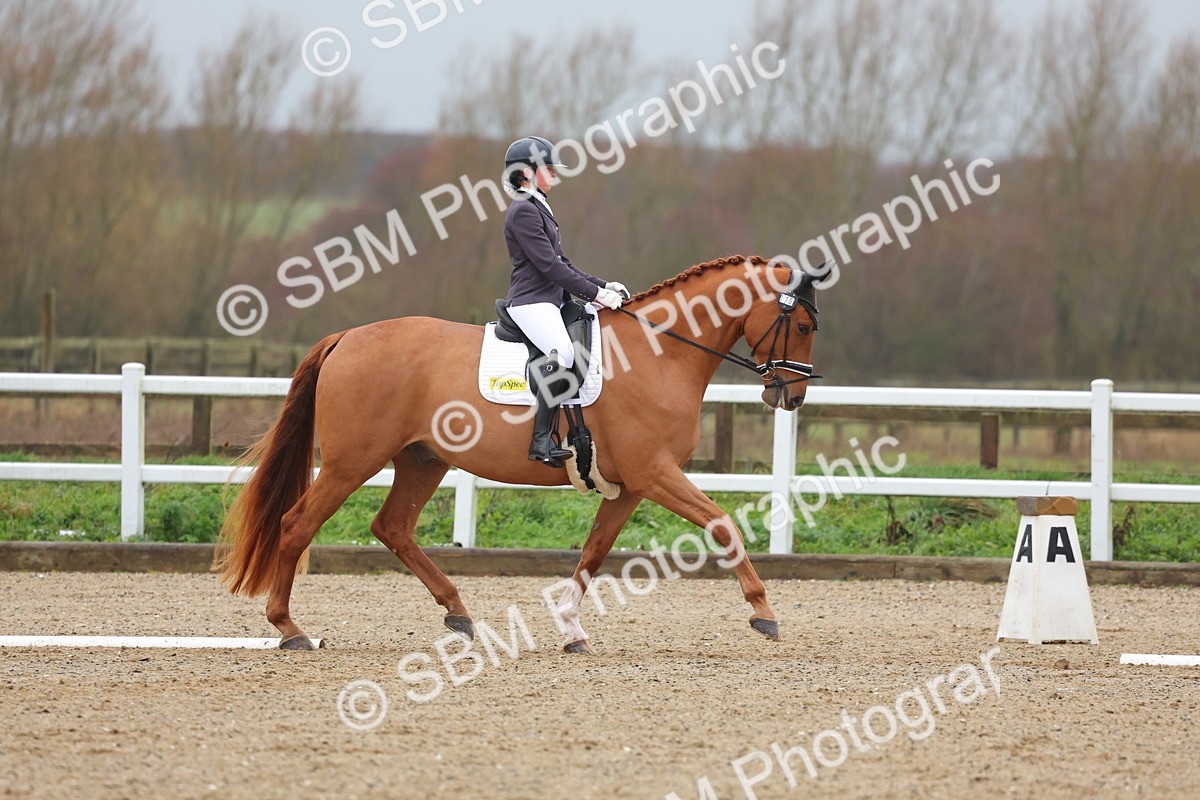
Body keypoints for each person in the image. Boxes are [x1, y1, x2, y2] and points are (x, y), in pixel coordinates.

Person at [502, 135, 627, 467]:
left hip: (550, 299)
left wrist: (603, 285)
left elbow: (563, 262)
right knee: (565, 352)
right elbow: (549, 266)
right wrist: (596, 295)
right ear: (526, 173)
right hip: (532, 301)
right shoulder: (523, 211)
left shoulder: (538, 206)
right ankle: (541, 441)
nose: (555, 174)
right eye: (548, 168)